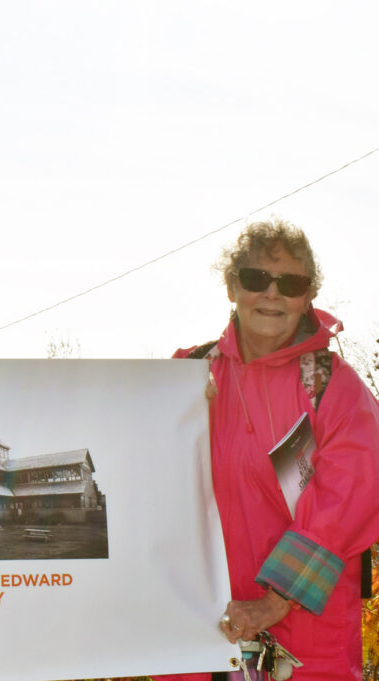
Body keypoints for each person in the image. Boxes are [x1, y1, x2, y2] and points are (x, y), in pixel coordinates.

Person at [171, 219, 379, 680]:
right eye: (255, 279)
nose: (272, 294)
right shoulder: (184, 376)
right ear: (232, 287)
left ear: (307, 297)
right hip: (201, 626)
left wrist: (275, 600)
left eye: (290, 283)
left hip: (304, 632)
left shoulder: (331, 386)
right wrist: (177, 417)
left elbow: (348, 499)